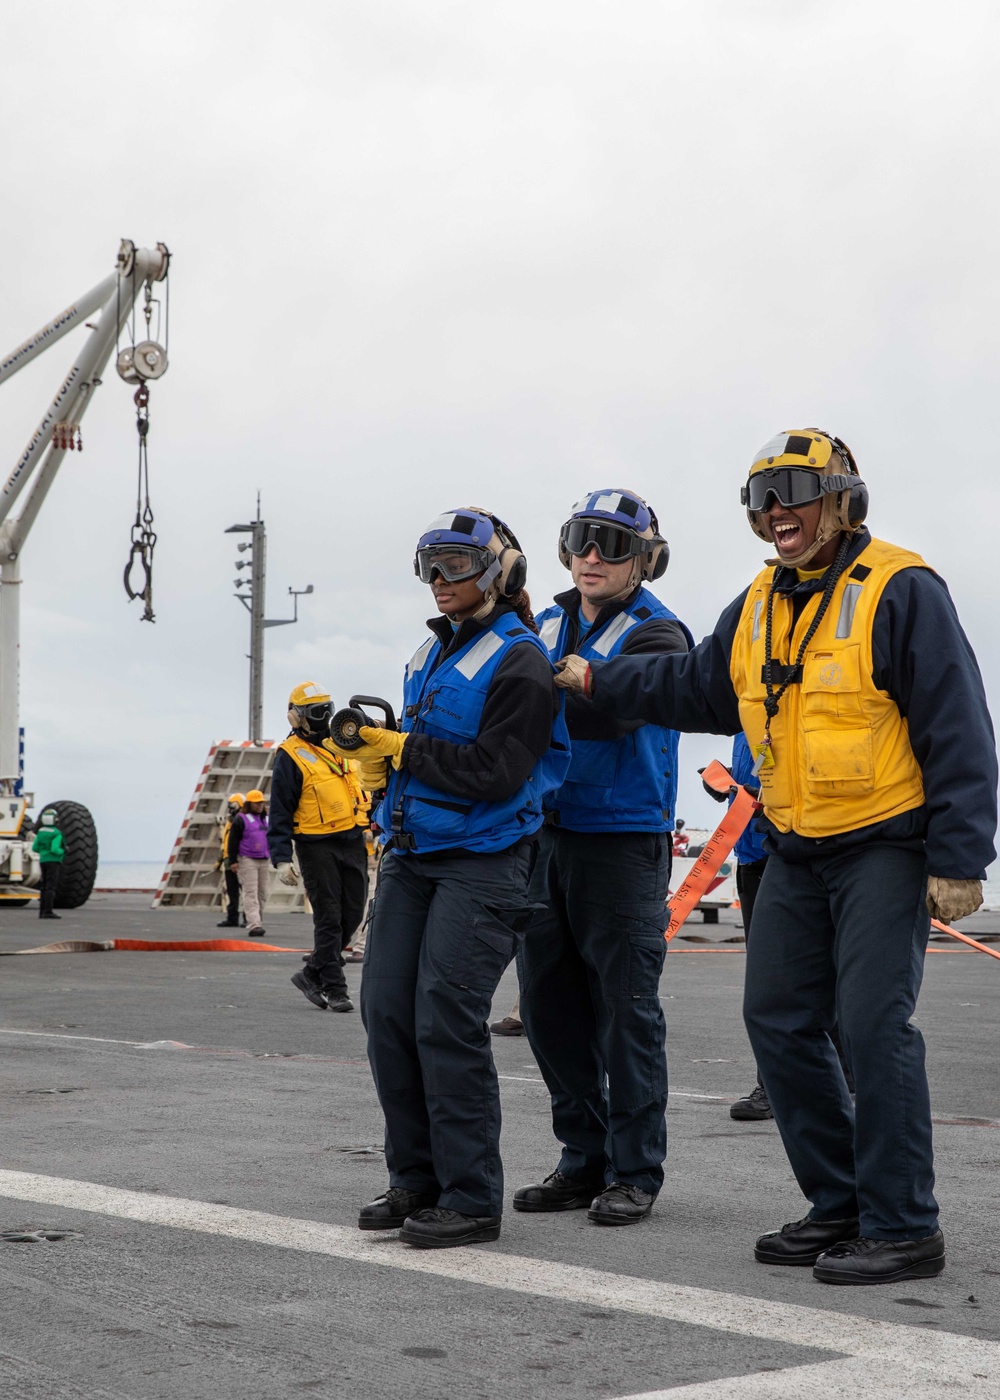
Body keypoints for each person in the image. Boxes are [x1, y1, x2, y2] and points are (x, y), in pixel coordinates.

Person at [554, 429, 997, 1284]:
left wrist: (961, 856)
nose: (776, 511)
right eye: (762, 498)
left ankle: (905, 1225)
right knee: (778, 1022)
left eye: (795, 491)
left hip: (886, 847)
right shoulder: (756, 603)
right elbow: (693, 685)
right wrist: (595, 681)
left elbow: (957, 723)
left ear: (842, 498)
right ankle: (839, 1205)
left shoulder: (901, 589)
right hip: (794, 847)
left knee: (872, 1027)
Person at [343, 508, 570, 1249]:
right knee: (386, 1011)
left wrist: (401, 752)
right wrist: (382, 771)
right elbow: (419, 755)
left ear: (500, 573)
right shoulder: (428, 655)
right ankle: (417, 1179)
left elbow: (498, 774)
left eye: (458, 565)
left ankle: (471, 1196)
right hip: (414, 853)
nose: (441, 581)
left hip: (486, 859)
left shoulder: (521, 661)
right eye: (431, 566)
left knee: (444, 1014)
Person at [514, 489, 692, 1226]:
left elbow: (612, 712)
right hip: (544, 836)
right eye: (584, 538)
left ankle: (635, 1170)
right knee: (549, 1009)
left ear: (645, 560)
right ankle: (580, 1157)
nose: (594, 554)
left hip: (621, 842)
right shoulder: (544, 621)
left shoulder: (661, 635)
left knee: (626, 1013)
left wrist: (529, 690)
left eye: (614, 544)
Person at [268, 683, 371, 1013]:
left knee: (353, 913)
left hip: (353, 839)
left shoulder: (341, 744)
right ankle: (334, 987)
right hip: (315, 845)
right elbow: (280, 809)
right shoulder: (290, 756)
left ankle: (312, 972)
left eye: (328, 710)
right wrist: (282, 858)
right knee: (329, 918)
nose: (325, 718)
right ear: (296, 717)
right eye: (317, 713)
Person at [228, 790, 271, 937]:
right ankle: (254, 924)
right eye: (257, 803)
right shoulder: (241, 819)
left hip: (264, 859)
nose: (260, 805)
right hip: (247, 859)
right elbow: (232, 841)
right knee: (250, 892)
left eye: (262, 803)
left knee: (262, 893)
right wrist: (232, 861)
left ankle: (258, 920)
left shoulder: (266, 819)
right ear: (249, 804)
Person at [215, 793, 245, 929]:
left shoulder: (242, 821)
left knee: (246, 892)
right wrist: (220, 860)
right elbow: (226, 843)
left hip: (240, 860)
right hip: (228, 861)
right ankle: (232, 918)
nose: (230, 808)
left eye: (232, 805)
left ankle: (248, 918)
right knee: (232, 892)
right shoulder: (229, 822)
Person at [32, 808, 64, 920]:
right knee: (51, 886)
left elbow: (34, 848)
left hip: (43, 860)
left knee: (44, 886)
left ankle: (41, 911)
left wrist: (43, 851)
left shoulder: (41, 832)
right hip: (53, 861)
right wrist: (63, 851)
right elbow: (55, 849)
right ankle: (48, 911)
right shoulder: (56, 833)